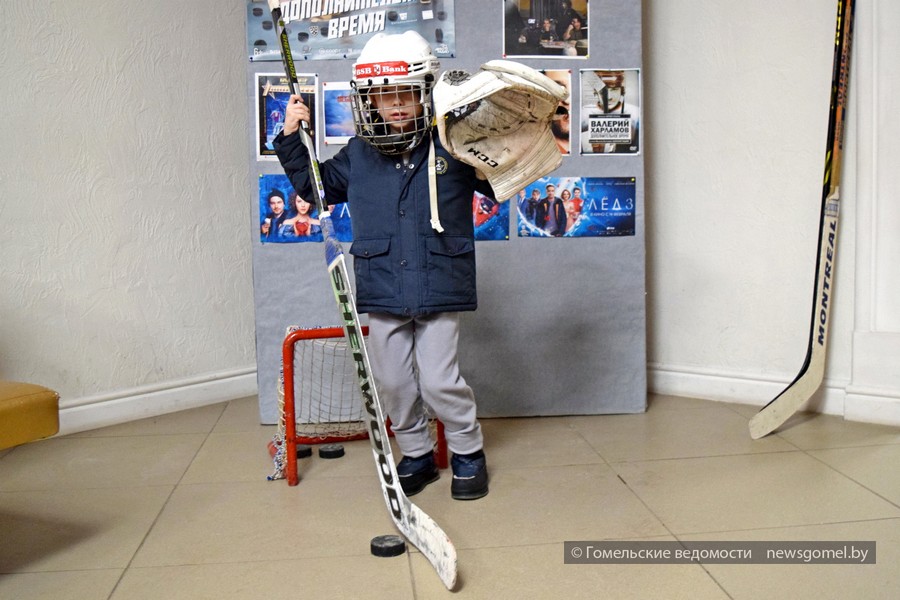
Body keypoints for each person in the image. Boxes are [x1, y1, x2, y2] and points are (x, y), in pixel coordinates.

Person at [274, 31, 492, 501]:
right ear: (367, 100)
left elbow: (500, 181)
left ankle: (467, 451)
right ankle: (416, 454)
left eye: (404, 93)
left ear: (425, 92)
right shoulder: (358, 153)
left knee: (440, 381)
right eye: (382, 94)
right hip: (384, 284)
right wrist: (291, 137)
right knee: (393, 381)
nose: (394, 104)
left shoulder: (452, 145)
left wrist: (504, 142)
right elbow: (316, 188)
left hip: (439, 282)